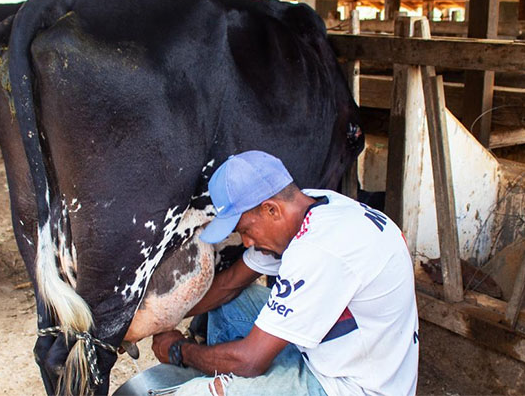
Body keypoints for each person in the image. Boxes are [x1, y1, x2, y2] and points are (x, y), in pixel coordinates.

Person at [151, 150, 419, 396]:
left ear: (271, 210)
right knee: (232, 302)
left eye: (245, 230)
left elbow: (250, 360)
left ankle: (223, 380)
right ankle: (224, 372)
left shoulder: (318, 249)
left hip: (354, 386)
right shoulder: (311, 206)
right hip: (343, 354)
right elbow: (229, 285)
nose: (246, 242)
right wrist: (158, 321)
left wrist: (179, 351)